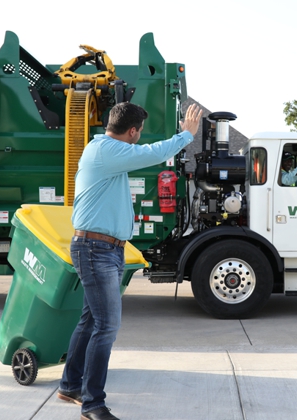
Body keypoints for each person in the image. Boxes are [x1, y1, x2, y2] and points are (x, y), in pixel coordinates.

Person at [57, 102, 202, 420]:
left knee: (92, 321)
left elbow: (142, 154)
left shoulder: (106, 152)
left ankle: (70, 385)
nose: (139, 137)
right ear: (132, 131)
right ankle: (92, 403)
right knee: (106, 326)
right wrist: (185, 135)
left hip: (103, 248)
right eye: (139, 132)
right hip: (96, 249)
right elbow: (150, 153)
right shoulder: (107, 151)